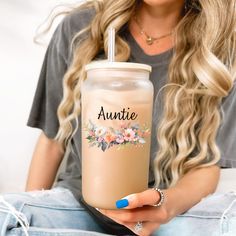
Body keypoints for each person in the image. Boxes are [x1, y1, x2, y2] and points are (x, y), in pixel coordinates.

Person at [1, 0, 236, 235]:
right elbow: (52, 142)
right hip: (81, 207)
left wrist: (166, 206)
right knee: (7, 216)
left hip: (170, 217)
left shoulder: (219, 45)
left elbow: (208, 166)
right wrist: (28, 215)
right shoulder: (80, 28)